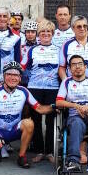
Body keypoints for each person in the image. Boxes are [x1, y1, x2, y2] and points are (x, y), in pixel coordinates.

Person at [0, 61, 54, 168]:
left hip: (14, 130)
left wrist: (54, 106)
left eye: (16, 75)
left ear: (20, 78)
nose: (12, 78)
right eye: (9, 74)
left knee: (29, 123)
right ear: (4, 76)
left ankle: (21, 156)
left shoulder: (24, 91)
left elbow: (39, 108)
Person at [21, 19, 60, 163]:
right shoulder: (32, 50)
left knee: (51, 121)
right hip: (34, 88)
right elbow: (22, 66)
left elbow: (63, 68)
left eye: (48, 32)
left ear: (52, 34)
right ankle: (38, 151)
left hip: (53, 88)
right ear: (38, 34)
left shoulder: (59, 50)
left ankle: (49, 151)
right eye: (42, 32)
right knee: (35, 120)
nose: (45, 34)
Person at [59, 15, 88, 81]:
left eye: (85, 26)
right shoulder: (66, 44)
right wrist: (66, 82)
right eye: (79, 26)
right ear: (73, 28)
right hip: (73, 84)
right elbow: (62, 67)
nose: (82, 28)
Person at [20, 20, 38, 85]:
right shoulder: (21, 45)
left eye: (33, 32)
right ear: (25, 33)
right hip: (23, 77)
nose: (30, 34)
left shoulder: (40, 45)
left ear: (36, 33)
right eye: (28, 32)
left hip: (36, 77)